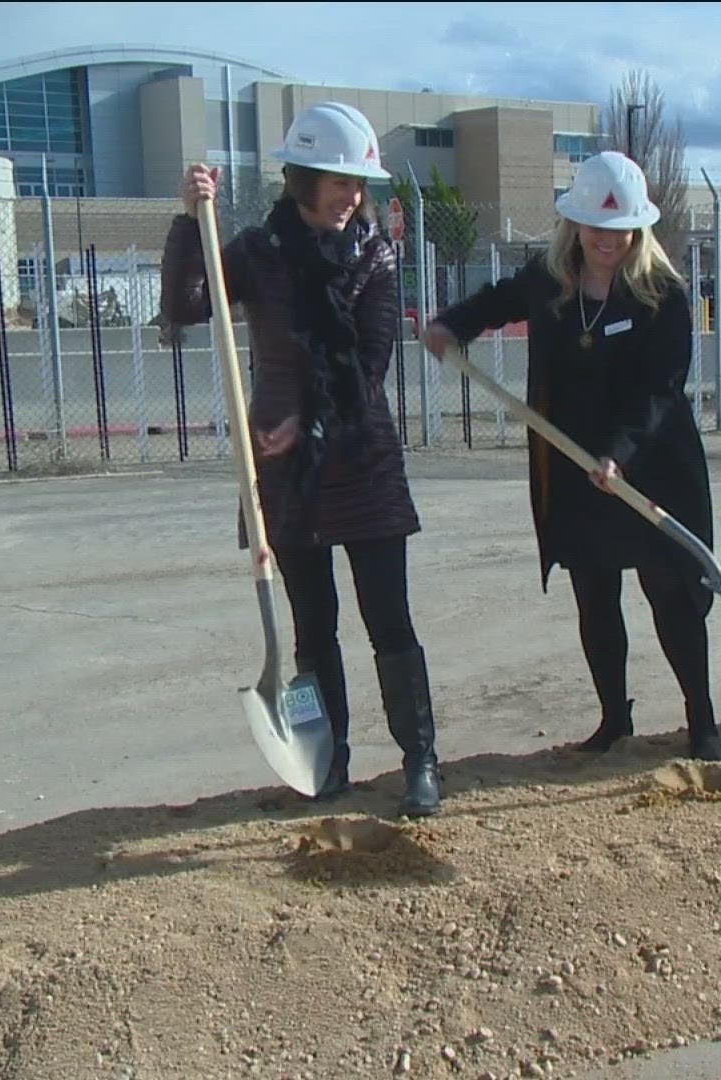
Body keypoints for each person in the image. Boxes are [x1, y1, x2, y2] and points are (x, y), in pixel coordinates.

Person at [161, 102, 439, 816]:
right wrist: (189, 220)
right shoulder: (257, 251)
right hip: (281, 474)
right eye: (340, 182)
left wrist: (305, 423)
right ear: (304, 178)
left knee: (390, 623)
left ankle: (420, 764)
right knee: (311, 629)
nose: (352, 196)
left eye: (359, 184)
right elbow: (191, 304)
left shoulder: (376, 252)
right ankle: (325, 761)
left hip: (362, 459)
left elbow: (370, 366)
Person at [422, 152, 721, 762]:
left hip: (651, 465)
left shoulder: (662, 294)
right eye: (595, 227)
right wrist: (451, 325)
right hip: (572, 465)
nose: (606, 240)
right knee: (594, 593)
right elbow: (494, 302)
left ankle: (702, 720)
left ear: (637, 229)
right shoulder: (548, 279)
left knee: (670, 593)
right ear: (574, 225)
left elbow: (659, 392)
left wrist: (618, 457)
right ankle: (614, 719)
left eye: (619, 230)